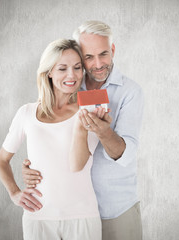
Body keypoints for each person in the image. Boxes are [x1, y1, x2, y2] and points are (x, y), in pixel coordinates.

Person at [22, 21, 144, 240]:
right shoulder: (68, 85)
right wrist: (32, 168)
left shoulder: (130, 92)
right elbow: (48, 135)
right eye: (88, 57)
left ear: (113, 50)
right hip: (71, 213)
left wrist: (104, 132)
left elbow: (128, 154)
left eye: (103, 54)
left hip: (115, 210)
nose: (97, 64)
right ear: (79, 56)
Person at [0, 39, 105, 240]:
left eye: (77, 68)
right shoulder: (26, 112)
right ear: (49, 72)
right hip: (38, 217)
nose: (72, 75)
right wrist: (14, 192)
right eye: (62, 68)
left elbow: (78, 164)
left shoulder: (90, 106)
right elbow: (1, 160)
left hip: (82, 216)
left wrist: (82, 122)